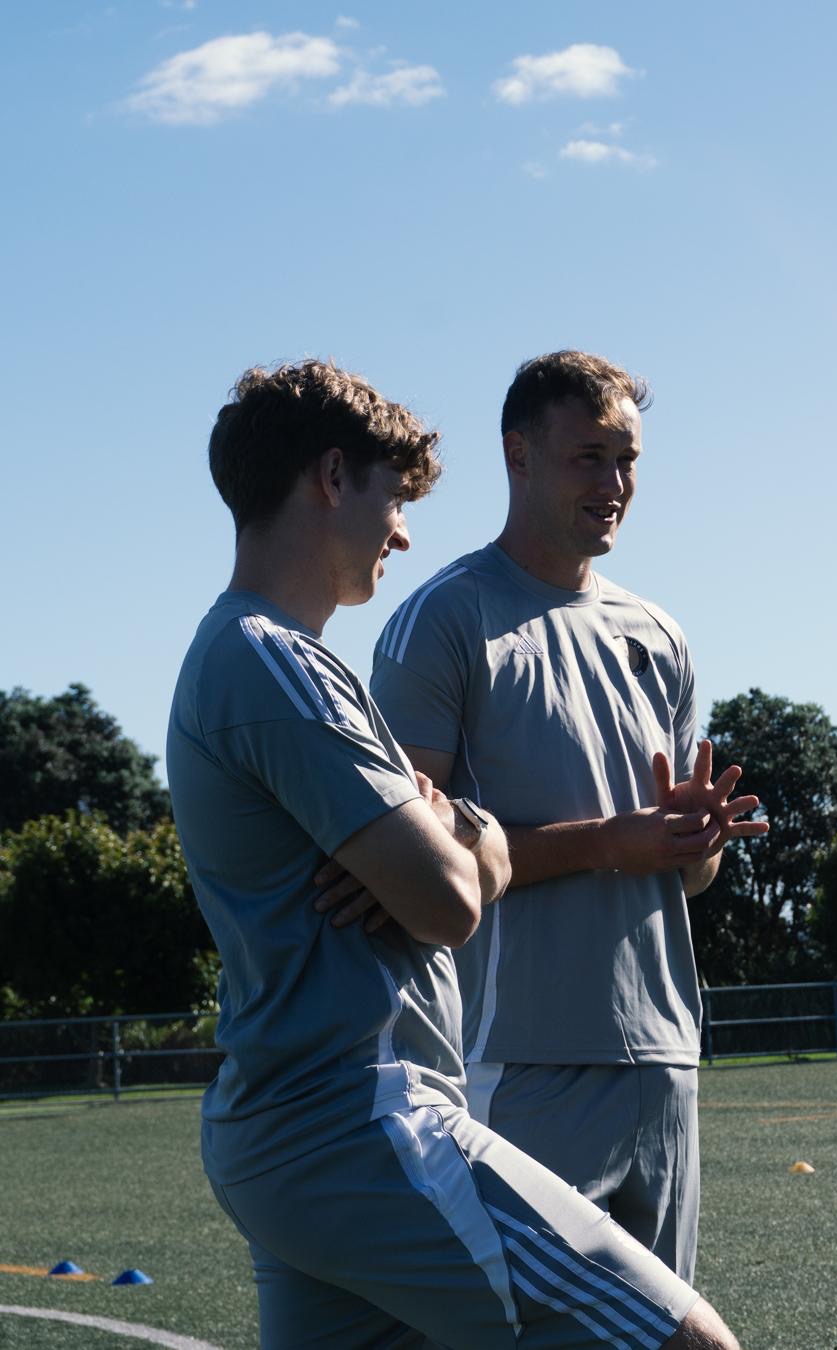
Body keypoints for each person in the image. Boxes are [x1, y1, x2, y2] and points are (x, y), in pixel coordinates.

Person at [167, 358, 743, 1349]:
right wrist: (475, 836)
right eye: (393, 499)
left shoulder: (260, 655)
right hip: (364, 1118)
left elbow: (438, 861)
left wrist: (458, 831)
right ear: (332, 477)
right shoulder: (277, 659)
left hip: (305, 1128)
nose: (402, 531)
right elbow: (446, 898)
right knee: (691, 1343)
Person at [370, 350, 767, 1287]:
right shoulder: (446, 619)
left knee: (662, 1332)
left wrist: (693, 841)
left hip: (667, 1055)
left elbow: (687, 876)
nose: (615, 484)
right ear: (518, 455)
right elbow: (403, 862)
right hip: (517, 1059)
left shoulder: (659, 634)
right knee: (524, 1328)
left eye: (627, 460)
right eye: (590, 457)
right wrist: (609, 843)